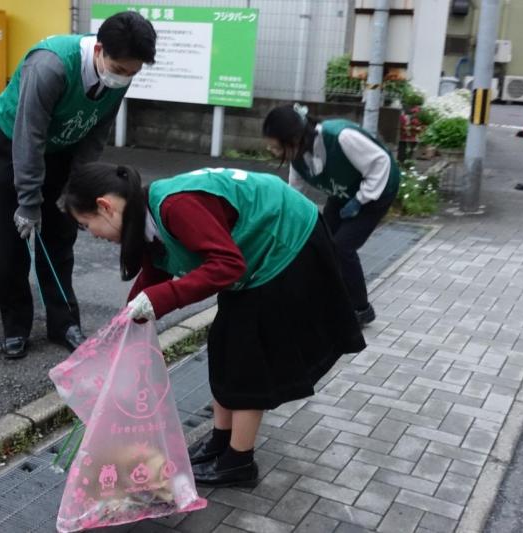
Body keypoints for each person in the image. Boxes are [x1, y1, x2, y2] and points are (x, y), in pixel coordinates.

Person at [61, 164, 366, 488]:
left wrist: (162, 299)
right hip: (253, 252)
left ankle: (238, 461)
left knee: (247, 354)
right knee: (223, 344)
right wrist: (128, 319)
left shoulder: (175, 206)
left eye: (86, 224)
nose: (91, 234)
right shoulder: (144, 212)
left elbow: (227, 266)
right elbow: (157, 269)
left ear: (105, 206)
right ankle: (220, 441)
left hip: (285, 239)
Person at [0, 12, 157, 358]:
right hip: (14, 143)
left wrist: (76, 189)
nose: (123, 78)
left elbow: (96, 133)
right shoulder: (50, 67)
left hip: (65, 148)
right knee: (14, 241)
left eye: (132, 73)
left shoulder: (119, 77)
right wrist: (28, 201)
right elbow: (29, 137)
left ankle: (63, 321)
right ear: (98, 50)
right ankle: (15, 325)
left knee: (60, 236)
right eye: (119, 69)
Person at [263, 104, 401, 327]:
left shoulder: (341, 137)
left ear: (295, 138)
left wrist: (361, 199)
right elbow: (294, 193)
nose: (274, 152)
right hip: (343, 191)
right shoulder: (298, 153)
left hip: (377, 190)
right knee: (322, 242)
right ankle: (328, 299)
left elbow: (381, 163)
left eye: (277, 147)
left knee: (342, 248)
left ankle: (361, 309)